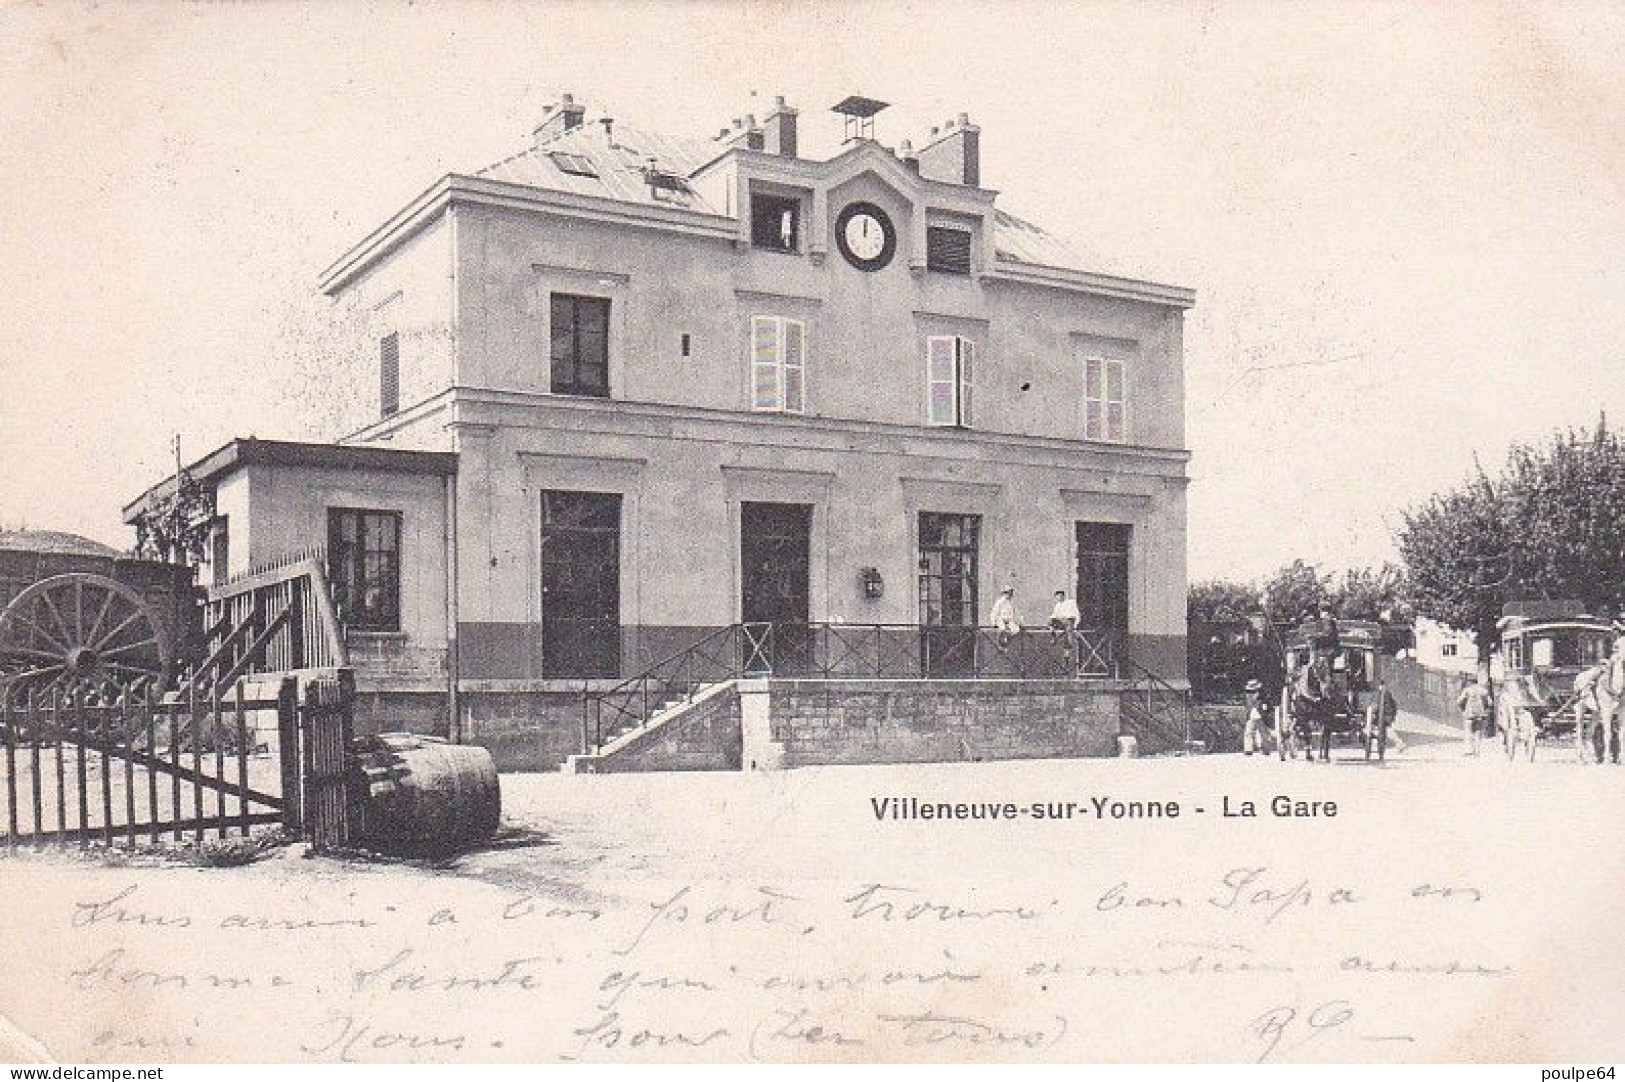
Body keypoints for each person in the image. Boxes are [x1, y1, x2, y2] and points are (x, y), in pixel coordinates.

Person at [1456, 675, 1492, 756]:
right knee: (1478, 733)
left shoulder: (1467, 690)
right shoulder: (1483, 690)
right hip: (1480, 715)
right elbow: (1490, 703)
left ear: (1469, 682)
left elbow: (1459, 701)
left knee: (1468, 733)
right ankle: (1477, 751)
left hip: (1469, 715)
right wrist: (1485, 710)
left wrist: (1463, 709)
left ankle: (1469, 751)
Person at [1242, 678, 1272, 756]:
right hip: (1252, 714)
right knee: (1249, 732)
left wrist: (1266, 710)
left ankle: (1265, 748)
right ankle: (1248, 749)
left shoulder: (1264, 695)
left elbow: (1268, 704)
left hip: (1261, 714)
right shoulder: (1247, 695)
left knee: (1264, 733)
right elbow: (1247, 705)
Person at [1048, 589, 1081, 657]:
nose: (1059, 598)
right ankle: (1054, 637)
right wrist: (1054, 620)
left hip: (1069, 621)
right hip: (1061, 622)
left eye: (1060, 596)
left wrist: (1075, 625)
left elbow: (1076, 613)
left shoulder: (1070, 602)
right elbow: (1054, 615)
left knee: (1068, 631)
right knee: (1050, 622)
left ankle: (1067, 652)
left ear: (1063, 596)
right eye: (1057, 597)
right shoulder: (1057, 605)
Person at [990, 586, 1021, 653]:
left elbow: (1015, 613)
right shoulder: (1000, 602)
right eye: (1008, 593)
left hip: (1009, 621)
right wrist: (994, 622)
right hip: (1001, 620)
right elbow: (994, 612)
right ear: (1004, 593)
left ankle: (1006, 645)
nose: (1009, 595)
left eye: (1010, 593)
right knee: (1002, 629)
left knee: (1015, 630)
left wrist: (1019, 622)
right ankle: (1000, 645)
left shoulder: (1011, 603)